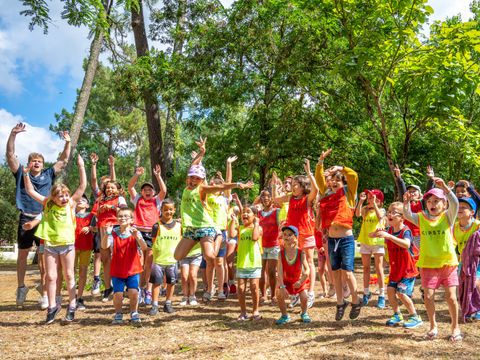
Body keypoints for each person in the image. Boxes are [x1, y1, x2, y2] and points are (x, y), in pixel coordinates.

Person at [173, 137, 253, 297]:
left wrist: (237, 184)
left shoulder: (202, 189)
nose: (193, 180)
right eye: (192, 177)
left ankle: (216, 237)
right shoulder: (186, 189)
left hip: (205, 228)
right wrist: (202, 152)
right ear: (188, 178)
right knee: (177, 256)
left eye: (197, 178)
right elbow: (192, 166)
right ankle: (210, 241)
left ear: (202, 180)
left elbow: (222, 186)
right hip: (190, 230)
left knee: (210, 257)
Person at [6, 123, 71, 307]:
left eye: (39, 161)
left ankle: (44, 292)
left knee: (44, 258)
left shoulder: (49, 173)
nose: (36, 163)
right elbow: (10, 155)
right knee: (23, 255)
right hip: (26, 217)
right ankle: (21, 287)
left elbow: (64, 160)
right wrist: (13, 134)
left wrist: (67, 143)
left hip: (44, 219)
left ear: (43, 164)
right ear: (28, 163)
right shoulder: (21, 173)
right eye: (33, 161)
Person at [24, 155, 86, 324]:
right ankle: (52, 306)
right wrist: (25, 174)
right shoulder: (47, 204)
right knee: (51, 277)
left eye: (65, 195)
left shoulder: (71, 204)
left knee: (68, 275)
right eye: (60, 196)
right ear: (53, 197)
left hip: (67, 246)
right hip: (50, 245)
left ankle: (72, 305)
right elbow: (30, 191)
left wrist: (81, 166)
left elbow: (82, 186)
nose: (64, 198)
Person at [403, 178, 462, 341]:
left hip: (448, 264)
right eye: (429, 201)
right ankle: (433, 326)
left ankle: (455, 327)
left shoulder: (448, 217)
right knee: (428, 296)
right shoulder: (421, 218)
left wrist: (444, 188)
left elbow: (455, 203)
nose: (432, 203)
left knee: (450, 297)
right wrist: (406, 202)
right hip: (428, 265)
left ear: (444, 204)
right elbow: (407, 214)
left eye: (436, 200)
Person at [315, 148, 362, 321]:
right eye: (332, 180)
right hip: (332, 239)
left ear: (342, 183)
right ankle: (340, 303)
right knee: (335, 272)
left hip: (346, 239)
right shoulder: (326, 195)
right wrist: (320, 162)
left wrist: (340, 168)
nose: (334, 183)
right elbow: (320, 180)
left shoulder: (348, 195)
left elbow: (354, 176)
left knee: (347, 272)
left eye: (337, 181)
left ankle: (356, 300)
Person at [273, 159, 318, 308]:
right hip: (291, 236)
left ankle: (310, 293)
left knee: (309, 262)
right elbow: (275, 199)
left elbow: (316, 190)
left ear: (303, 186)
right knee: (292, 264)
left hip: (306, 235)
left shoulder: (307, 199)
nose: (293, 187)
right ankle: (296, 292)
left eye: (296, 185)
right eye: (292, 185)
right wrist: (274, 185)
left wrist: (309, 173)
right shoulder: (290, 198)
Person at [369, 202, 422, 328]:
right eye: (389, 212)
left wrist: (389, 236)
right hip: (395, 269)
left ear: (402, 217)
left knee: (401, 293)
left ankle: (415, 317)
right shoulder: (389, 230)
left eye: (393, 213)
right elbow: (370, 235)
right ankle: (397, 314)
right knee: (390, 291)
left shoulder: (405, 231)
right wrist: (376, 232)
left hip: (407, 270)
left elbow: (406, 244)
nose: (389, 214)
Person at [128, 164, 166, 305]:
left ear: (153, 192)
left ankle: (148, 290)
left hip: (152, 234)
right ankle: (138, 288)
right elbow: (130, 187)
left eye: (150, 189)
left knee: (149, 264)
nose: (147, 191)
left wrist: (158, 175)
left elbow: (164, 190)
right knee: (139, 262)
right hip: (138, 233)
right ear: (142, 192)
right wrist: (137, 175)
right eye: (145, 190)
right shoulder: (137, 199)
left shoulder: (156, 201)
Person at [102, 208, 148, 324]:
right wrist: (107, 233)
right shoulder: (113, 232)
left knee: (133, 292)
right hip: (117, 269)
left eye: (126, 216)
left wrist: (137, 236)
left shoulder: (135, 232)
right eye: (120, 216)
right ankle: (118, 314)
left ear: (131, 219)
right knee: (118, 293)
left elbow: (144, 247)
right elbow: (104, 246)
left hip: (133, 268)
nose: (122, 218)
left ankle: (134, 312)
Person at [92, 179, 128, 302]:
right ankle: (108, 288)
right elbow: (95, 213)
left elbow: (124, 213)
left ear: (118, 190)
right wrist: (100, 210)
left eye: (112, 188)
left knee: (118, 258)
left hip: (116, 228)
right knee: (105, 259)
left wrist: (112, 207)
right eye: (108, 188)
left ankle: (121, 289)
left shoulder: (120, 199)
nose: (109, 190)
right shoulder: (100, 200)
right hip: (103, 228)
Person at [229, 205, 263, 320]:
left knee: (254, 287)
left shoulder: (258, 228)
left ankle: (255, 310)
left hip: (254, 263)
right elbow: (232, 234)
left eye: (248, 212)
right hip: (242, 263)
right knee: (241, 288)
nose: (245, 214)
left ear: (254, 216)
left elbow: (254, 238)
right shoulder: (240, 228)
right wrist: (234, 220)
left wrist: (257, 223)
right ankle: (243, 312)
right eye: (243, 212)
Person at [89, 153, 116, 295]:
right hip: (101, 226)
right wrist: (94, 164)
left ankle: (116, 283)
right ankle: (103, 283)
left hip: (115, 227)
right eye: (104, 184)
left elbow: (114, 180)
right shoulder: (100, 195)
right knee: (101, 255)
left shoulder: (116, 196)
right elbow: (93, 180)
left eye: (109, 184)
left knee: (115, 255)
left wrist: (112, 166)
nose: (107, 186)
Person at [149, 199, 181, 315]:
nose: (168, 212)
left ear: (174, 210)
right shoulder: (156, 226)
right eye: (165, 209)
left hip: (173, 260)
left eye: (171, 209)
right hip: (158, 260)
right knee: (156, 283)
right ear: (161, 210)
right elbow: (153, 242)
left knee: (171, 283)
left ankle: (168, 303)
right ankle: (154, 305)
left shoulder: (179, 226)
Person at [356, 189, 386, 308]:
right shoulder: (365, 210)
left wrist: (374, 205)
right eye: (368, 198)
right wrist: (360, 201)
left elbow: (380, 218)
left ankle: (381, 294)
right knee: (366, 268)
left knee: (379, 268)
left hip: (377, 242)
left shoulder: (382, 210)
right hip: (365, 241)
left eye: (372, 198)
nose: (369, 200)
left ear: (379, 201)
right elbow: (357, 214)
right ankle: (366, 292)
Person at [275, 225, 312, 324]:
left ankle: (304, 313)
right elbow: (279, 271)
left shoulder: (301, 253)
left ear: (296, 237)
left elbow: (307, 270)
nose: (286, 236)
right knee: (278, 293)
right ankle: (284, 316)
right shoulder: (281, 253)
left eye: (290, 234)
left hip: (298, 280)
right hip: (286, 281)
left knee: (304, 296)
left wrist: (301, 281)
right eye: (285, 234)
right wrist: (282, 286)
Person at [454, 197, 480, 321]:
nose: (460, 209)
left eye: (464, 207)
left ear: (472, 212)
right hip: (462, 262)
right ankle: (471, 308)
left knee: (476, 282)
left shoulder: (477, 225)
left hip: (477, 261)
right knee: (464, 286)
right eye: (458, 207)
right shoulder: (454, 227)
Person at [258, 189, 281, 305]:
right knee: (261, 271)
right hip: (260, 246)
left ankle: (273, 295)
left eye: (268, 196)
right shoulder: (257, 213)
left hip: (273, 245)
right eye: (263, 196)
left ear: (272, 198)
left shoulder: (277, 211)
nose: (265, 198)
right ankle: (263, 295)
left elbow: (280, 226)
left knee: (272, 271)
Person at [74, 196, 96, 310]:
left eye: (83, 200)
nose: (80, 200)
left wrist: (90, 228)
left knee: (83, 272)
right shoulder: (71, 215)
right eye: (78, 200)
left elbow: (97, 228)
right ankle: (72, 297)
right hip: (72, 247)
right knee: (70, 273)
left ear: (87, 205)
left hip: (86, 247)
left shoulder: (91, 216)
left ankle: (80, 297)